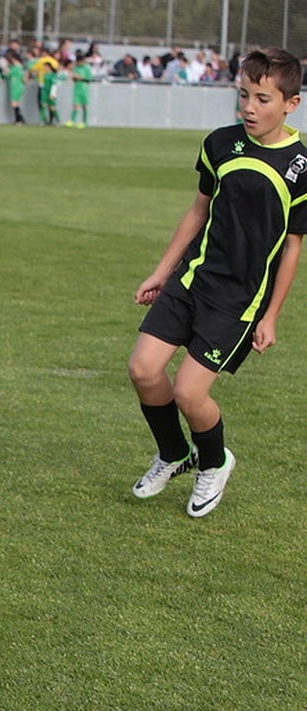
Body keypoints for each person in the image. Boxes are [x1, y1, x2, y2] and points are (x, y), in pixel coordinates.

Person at [128, 48, 304, 519]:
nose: (249, 107)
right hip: (192, 278)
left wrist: (271, 316)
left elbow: (291, 247)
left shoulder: (300, 165)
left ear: (291, 103)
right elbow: (198, 209)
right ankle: (172, 453)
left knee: (189, 392)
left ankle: (214, 461)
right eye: (243, 95)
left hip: (240, 301)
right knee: (144, 370)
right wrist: (162, 272)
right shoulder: (220, 144)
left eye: (262, 98)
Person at [65, 52, 92, 128]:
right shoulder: (75, 68)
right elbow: (74, 78)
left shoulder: (87, 68)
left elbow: (89, 79)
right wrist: (73, 77)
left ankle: (84, 122)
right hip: (77, 88)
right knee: (75, 105)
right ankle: (72, 121)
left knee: (84, 105)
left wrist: (80, 78)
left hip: (84, 88)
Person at [4, 49, 27, 124]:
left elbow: (7, 74)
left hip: (15, 86)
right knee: (16, 103)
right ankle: (19, 118)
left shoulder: (15, 68)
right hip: (19, 86)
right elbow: (24, 79)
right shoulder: (21, 68)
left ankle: (19, 119)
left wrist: (5, 70)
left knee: (14, 103)